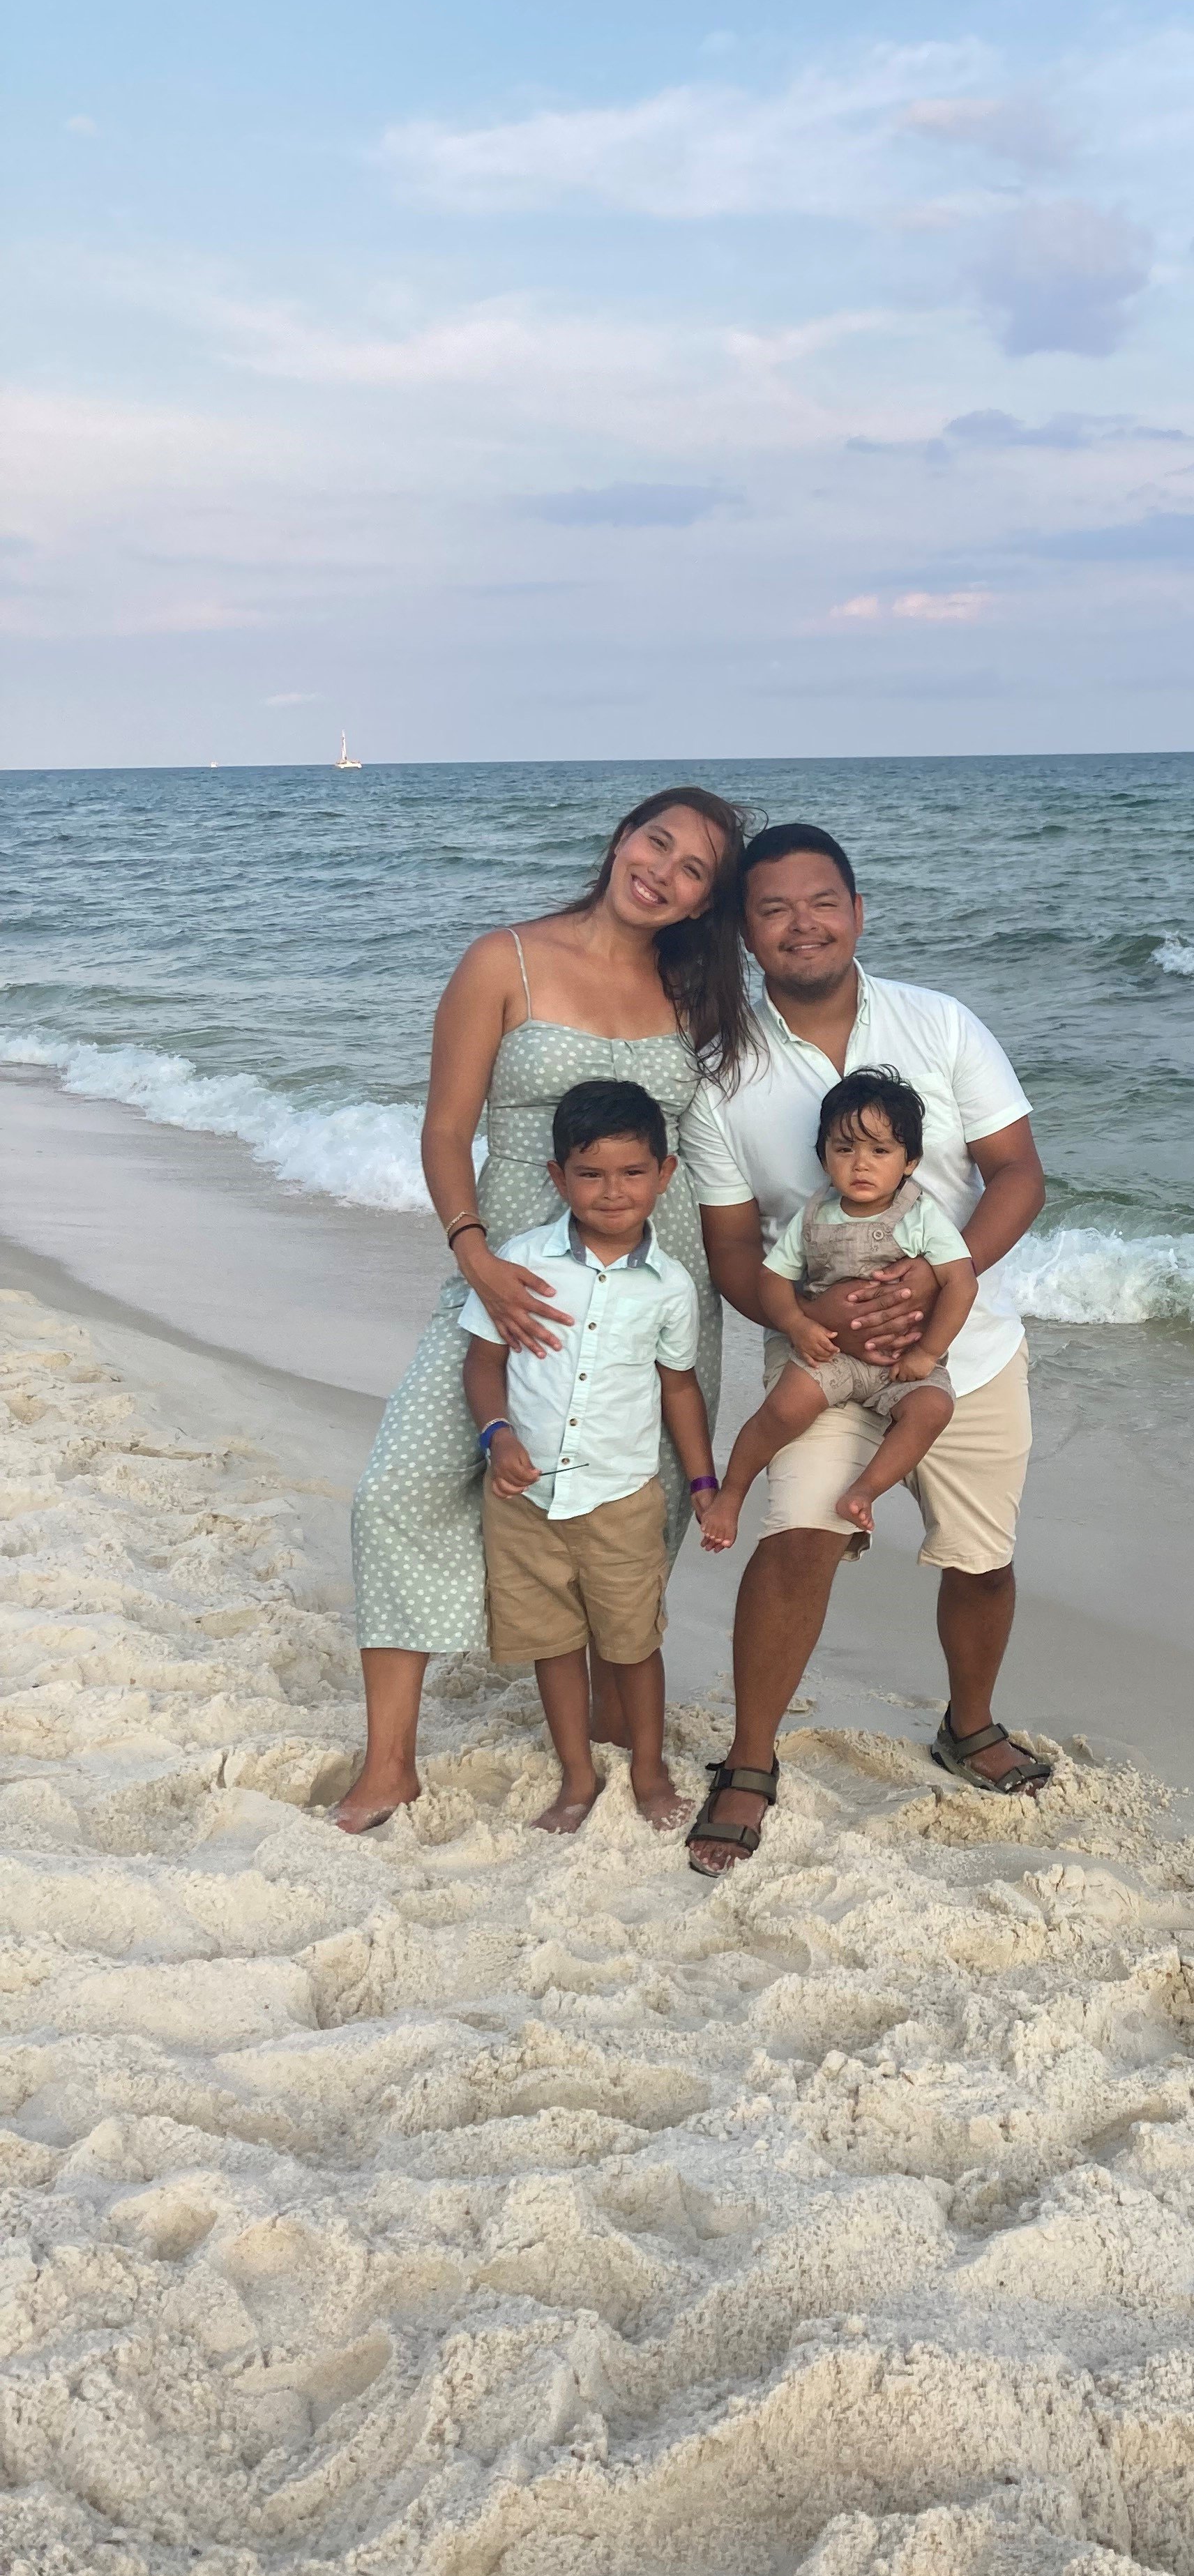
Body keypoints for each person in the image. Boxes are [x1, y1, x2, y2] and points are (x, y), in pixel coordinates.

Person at [333, 785, 754, 1835]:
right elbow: (444, 1130)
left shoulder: (693, 996)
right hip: (507, 1285)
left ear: (706, 902)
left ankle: (614, 1733)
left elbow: (719, 1152)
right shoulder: (504, 962)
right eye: (656, 841)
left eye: (693, 868)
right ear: (623, 838)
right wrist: (473, 1252)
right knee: (400, 1491)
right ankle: (391, 1763)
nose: (661, 868)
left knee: (627, 1511)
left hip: (658, 1290)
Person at [680, 823, 1048, 1876]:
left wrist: (939, 1274)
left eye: (822, 901)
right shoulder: (723, 1076)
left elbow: (1017, 1170)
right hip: (820, 1354)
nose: (804, 924)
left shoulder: (941, 1025)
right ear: (746, 932)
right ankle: (750, 1761)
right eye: (775, 908)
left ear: (857, 908)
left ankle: (968, 1724)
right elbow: (735, 1249)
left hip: (962, 1348)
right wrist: (808, 1320)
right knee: (794, 1541)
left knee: (981, 1561)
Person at [462, 1079, 718, 1833]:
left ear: (665, 1175)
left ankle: (648, 1769)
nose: (613, 1192)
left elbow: (679, 1390)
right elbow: (482, 1365)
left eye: (633, 1172)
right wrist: (496, 1437)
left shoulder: (671, 1288)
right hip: (526, 1501)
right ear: (557, 1177)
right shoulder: (521, 1261)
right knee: (553, 1645)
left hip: (620, 1498)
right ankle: (576, 1778)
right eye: (591, 1174)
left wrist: (704, 1482)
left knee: (634, 1644)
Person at [700, 1065, 977, 1553]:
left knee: (933, 1409)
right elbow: (773, 1277)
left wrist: (929, 1352)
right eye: (845, 1149)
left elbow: (961, 1282)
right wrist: (796, 1324)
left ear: (910, 1161)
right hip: (833, 1356)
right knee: (782, 1409)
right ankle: (733, 1493)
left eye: (880, 1151)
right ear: (824, 1156)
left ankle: (864, 1492)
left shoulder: (920, 1215)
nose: (861, 1164)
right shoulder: (814, 1215)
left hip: (902, 1360)